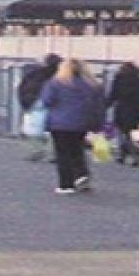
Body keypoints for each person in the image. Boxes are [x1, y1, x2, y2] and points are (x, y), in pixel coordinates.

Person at [34, 58, 104, 194]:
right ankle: (81, 174)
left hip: (59, 124)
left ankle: (66, 184)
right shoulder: (93, 85)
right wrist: (97, 124)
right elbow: (99, 106)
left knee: (62, 153)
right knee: (77, 149)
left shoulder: (55, 83)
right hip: (82, 123)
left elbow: (46, 101)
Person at [106, 61, 139, 167]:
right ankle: (122, 155)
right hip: (135, 112)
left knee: (124, 134)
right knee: (126, 133)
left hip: (122, 110)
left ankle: (133, 156)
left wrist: (104, 106)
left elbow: (113, 96)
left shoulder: (119, 80)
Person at [15, 54, 60, 162]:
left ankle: (36, 151)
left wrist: (25, 102)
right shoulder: (60, 75)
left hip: (33, 102)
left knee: (32, 129)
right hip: (51, 103)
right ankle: (52, 153)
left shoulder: (33, 73)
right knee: (53, 130)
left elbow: (23, 87)